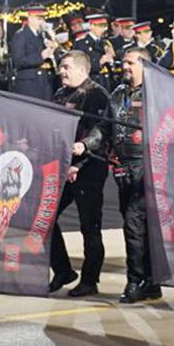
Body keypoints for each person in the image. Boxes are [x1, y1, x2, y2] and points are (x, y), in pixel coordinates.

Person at [47, 50, 111, 297]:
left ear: (83, 69)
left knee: (89, 226)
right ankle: (63, 271)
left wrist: (79, 164)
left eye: (66, 67)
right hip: (63, 166)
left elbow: (99, 132)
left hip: (89, 167)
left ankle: (90, 280)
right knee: (46, 218)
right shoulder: (62, 93)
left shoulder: (96, 94)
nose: (61, 71)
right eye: (60, 67)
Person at [110, 46, 160, 303]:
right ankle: (152, 281)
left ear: (144, 66)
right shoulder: (118, 93)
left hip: (146, 169)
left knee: (134, 226)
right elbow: (106, 127)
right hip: (122, 169)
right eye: (123, 62)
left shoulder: (157, 93)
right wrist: (87, 144)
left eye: (130, 62)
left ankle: (135, 281)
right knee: (139, 228)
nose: (125, 67)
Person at [9, 7, 56, 100]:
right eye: (39, 19)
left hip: (44, 80)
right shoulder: (20, 36)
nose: (42, 22)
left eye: (43, 19)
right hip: (29, 84)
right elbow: (18, 61)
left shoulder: (42, 36)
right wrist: (41, 56)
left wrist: (53, 46)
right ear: (30, 18)